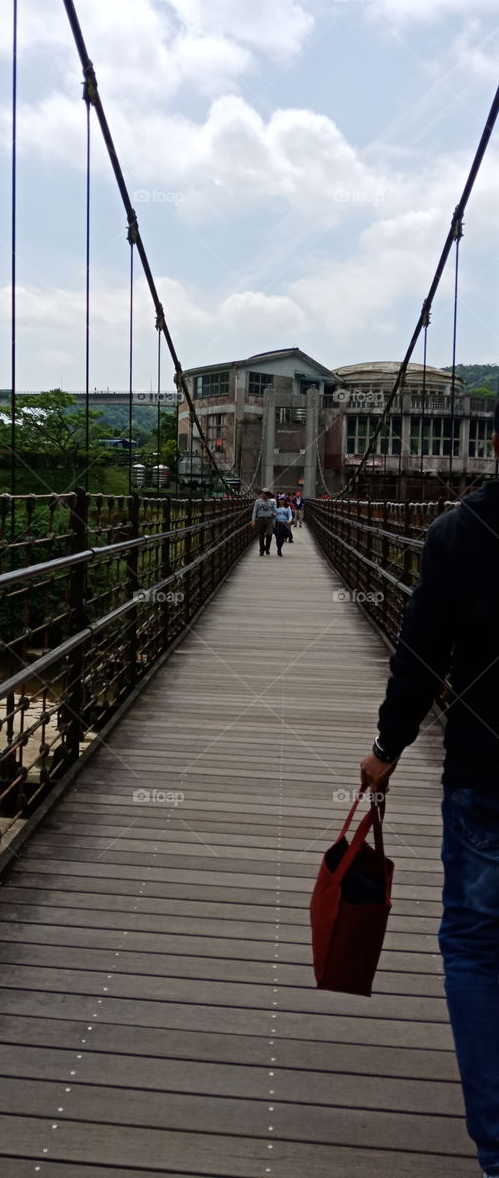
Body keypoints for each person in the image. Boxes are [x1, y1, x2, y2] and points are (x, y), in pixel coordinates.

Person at [360, 401, 499, 1178]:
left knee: (479, 947)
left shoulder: (457, 534)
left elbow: (420, 653)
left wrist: (388, 746)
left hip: (486, 773)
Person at [251, 488, 276, 556]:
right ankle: (262, 550)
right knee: (261, 535)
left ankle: (267, 548)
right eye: (262, 493)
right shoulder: (257, 501)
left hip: (269, 520)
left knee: (269, 534)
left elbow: (274, 512)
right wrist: (253, 521)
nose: (263, 494)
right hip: (260, 520)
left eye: (265, 493)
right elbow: (254, 511)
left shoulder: (271, 502)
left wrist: (274, 522)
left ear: (268, 495)